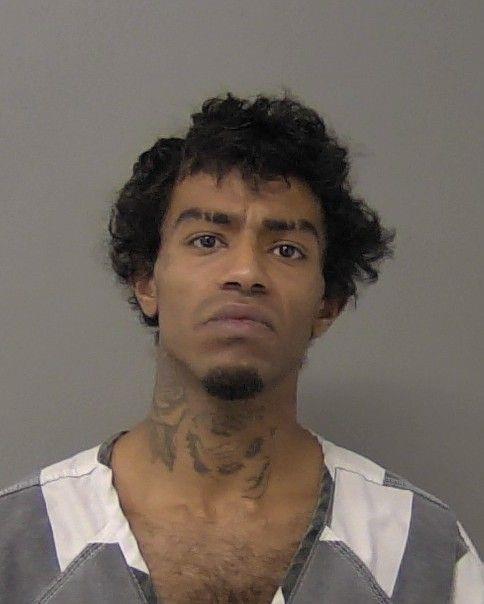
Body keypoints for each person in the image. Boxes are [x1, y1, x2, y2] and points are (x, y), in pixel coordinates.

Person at [0, 92, 482, 603]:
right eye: (207, 240)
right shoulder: (19, 540)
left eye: (287, 250)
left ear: (328, 303)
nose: (247, 272)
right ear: (147, 281)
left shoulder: (418, 548)